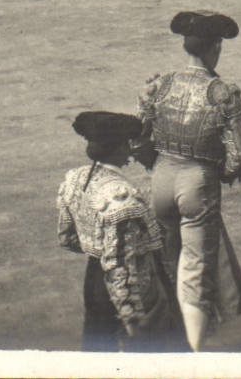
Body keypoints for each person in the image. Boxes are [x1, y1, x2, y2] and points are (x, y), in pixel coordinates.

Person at [136, 11, 241, 351]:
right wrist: (216, 174)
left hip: (160, 180)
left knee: (169, 259)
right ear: (216, 47)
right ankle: (194, 352)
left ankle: (169, 336)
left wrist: (156, 164)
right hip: (197, 183)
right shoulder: (222, 93)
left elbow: (139, 139)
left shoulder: (159, 85)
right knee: (196, 270)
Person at [56, 111, 186, 352]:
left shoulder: (75, 179)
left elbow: (67, 238)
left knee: (98, 347)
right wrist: (132, 316)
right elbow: (120, 266)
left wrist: (96, 244)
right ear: (117, 149)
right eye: (126, 144)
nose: (129, 151)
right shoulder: (122, 198)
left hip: (93, 277)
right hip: (134, 284)